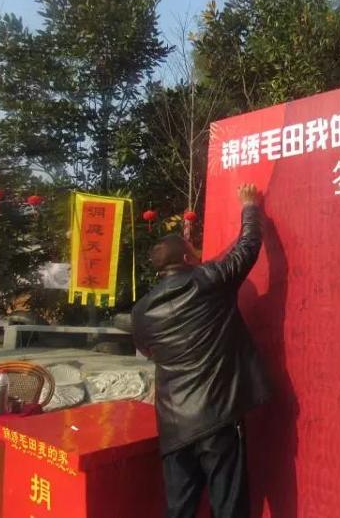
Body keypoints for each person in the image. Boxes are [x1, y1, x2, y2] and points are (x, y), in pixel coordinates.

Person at [132, 183, 270, 518]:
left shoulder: (142, 310)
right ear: (186, 259)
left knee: (179, 508)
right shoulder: (209, 280)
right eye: (194, 250)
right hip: (217, 417)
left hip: (174, 425)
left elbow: (149, 351)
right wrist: (249, 206)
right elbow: (248, 246)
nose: (198, 254)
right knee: (228, 507)